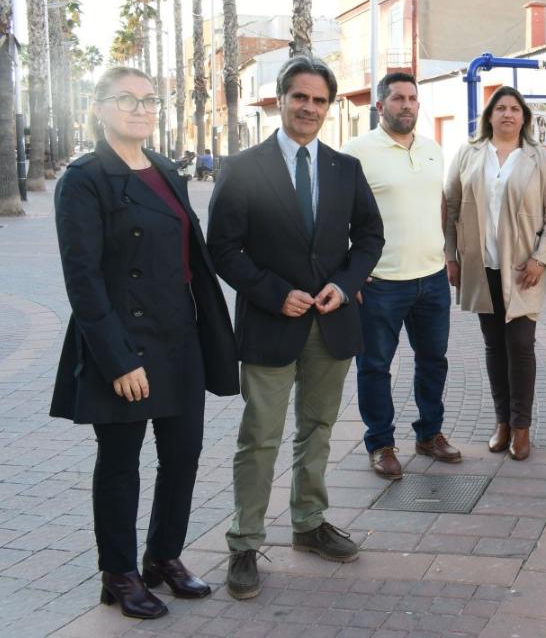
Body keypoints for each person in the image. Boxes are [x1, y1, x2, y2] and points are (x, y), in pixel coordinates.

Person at [52, 67, 239, 620]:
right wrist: (117, 359)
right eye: (125, 99)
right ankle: (120, 573)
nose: (140, 108)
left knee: (183, 455)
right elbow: (82, 279)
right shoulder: (85, 178)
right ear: (100, 107)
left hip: (179, 335)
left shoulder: (164, 169)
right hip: (124, 338)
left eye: (149, 100)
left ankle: (163, 557)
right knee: (121, 462)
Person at [207, 55, 384, 600]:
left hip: (331, 323)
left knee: (319, 427)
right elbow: (223, 248)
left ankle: (309, 523)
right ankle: (244, 541)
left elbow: (371, 237)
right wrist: (272, 293)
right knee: (260, 434)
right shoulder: (243, 168)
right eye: (299, 97)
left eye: (319, 100)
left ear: (329, 108)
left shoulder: (343, 169)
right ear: (280, 100)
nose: (309, 107)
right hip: (270, 323)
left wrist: (344, 281)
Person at [341, 71, 460, 480]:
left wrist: (444, 253)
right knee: (375, 365)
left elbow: (439, 203)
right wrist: (350, 273)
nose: (406, 105)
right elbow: (337, 216)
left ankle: (429, 434)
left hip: (431, 278)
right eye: (397, 99)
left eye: (412, 98)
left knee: (434, 361)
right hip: (381, 283)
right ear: (380, 106)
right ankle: (381, 443)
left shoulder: (432, 149)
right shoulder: (355, 151)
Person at [443, 86, 546, 461]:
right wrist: (452, 255)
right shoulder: (468, 153)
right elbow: (450, 206)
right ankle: (502, 423)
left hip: (522, 269)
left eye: (515, 109)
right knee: (494, 345)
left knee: (521, 345)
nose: (508, 114)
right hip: (481, 268)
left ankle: (522, 427)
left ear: (524, 117)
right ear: (490, 115)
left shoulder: (540, 159)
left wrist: (542, 259)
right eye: (501, 108)